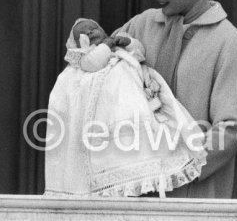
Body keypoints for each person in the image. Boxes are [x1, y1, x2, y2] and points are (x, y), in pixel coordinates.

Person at [115, 0, 237, 198]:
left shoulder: (226, 40)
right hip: (139, 192)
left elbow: (233, 129)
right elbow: (101, 64)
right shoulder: (141, 25)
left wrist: (180, 169)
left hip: (193, 195)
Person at [45, 18, 207, 197]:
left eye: (93, 28)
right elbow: (93, 63)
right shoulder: (85, 57)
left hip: (132, 92)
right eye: (86, 33)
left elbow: (139, 52)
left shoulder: (118, 44)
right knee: (121, 121)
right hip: (115, 100)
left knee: (143, 120)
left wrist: (128, 42)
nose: (91, 32)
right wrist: (105, 46)